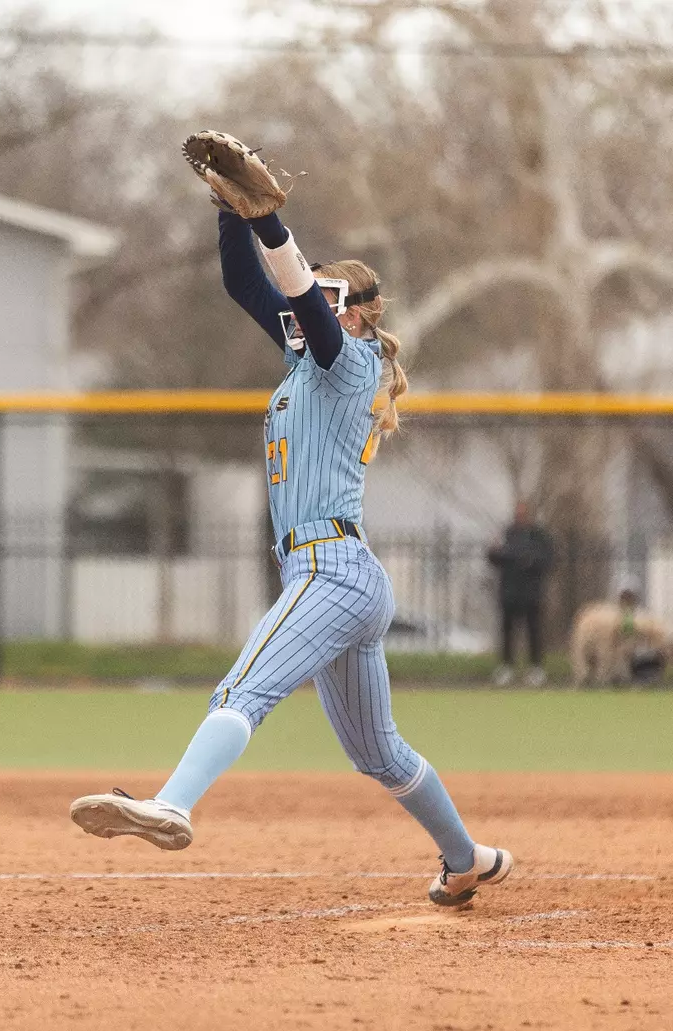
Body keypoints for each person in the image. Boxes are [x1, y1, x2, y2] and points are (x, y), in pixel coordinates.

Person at [68, 150, 513, 909]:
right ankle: (468, 857)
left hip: (331, 571)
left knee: (246, 686)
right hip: (342, 576)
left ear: (360, 312)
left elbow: (303, 302)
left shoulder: (352, 363)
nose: (310, 307)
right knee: (379, 753)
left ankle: (173, 803)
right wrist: (230, 215)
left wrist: (270, 221)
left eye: (333, 299)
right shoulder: (308, 363)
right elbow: (248, 284)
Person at [487, 501, 555, 687]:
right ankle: (506, 667)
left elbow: (548, 560)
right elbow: (494, 556)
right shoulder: (507, 534)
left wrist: (529, 561)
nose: (520, 515)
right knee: (507, 631)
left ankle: (536, 668)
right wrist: (507, 556)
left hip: (531, 594)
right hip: (509, 592)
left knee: (534, 631)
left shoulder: (539, 536)